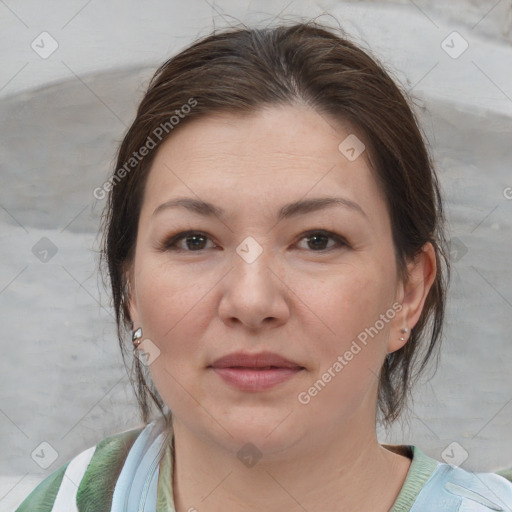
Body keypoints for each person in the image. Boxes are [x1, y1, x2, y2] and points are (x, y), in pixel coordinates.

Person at [16, 21, 512, 512]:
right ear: (131, 291)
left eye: (317, 241)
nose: (252, 302)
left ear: (407, 293)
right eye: (194, 240)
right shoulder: (71, 501)